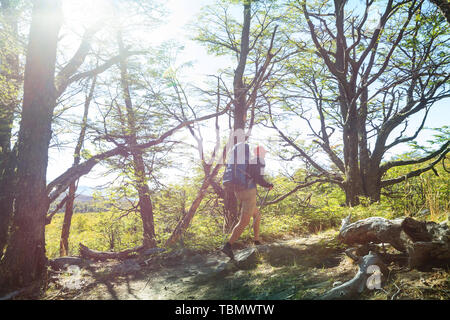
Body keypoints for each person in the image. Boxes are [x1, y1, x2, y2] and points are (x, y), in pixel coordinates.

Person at [221, 143, 273, 260]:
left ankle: (256, 240)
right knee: (244, 222)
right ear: (259, 152)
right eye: (264, 152)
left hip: (239, 192)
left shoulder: (247, 160)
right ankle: (228, 246)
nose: (265, 153)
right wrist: (268, 185)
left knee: (257, 215)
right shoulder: (259, 160)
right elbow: (258, 178)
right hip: (249, 191)